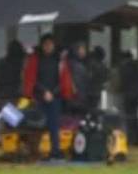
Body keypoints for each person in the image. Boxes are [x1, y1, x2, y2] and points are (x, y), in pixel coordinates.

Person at [22, 33, 72, 161]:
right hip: (39, 96)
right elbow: (32, 79)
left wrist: (53, 93)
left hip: (55, 96)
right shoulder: (35, 59)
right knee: (39, 124)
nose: (48, 47)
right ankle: (37, 150)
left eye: (50, 44)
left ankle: (55, 150)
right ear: (42, 45)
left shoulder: (59, 60)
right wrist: (44, 92)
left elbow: (63, 80)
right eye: (46, 44)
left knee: (54, 124)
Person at [118, 50, 138, 144]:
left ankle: (131, 138)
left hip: (128, 94)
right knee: (134, 116)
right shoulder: (136, 66)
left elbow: (122, 82)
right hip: (137, 94)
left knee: (129, 117)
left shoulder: (124, 67)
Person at [66, 42, 90, 113]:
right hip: (76, 102)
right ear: (76, 51)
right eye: (82, 49)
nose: (84, 52)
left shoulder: (75, 64)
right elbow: (78, 84)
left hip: (74, 100)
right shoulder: (76, 66)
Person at [86, 45, 109, 111]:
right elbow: (106, 77)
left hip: (90, 90)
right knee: (95, 108)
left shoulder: (91, 63)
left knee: (90, 109)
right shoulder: (102, 65)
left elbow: (89, 77)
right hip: (97, 90)